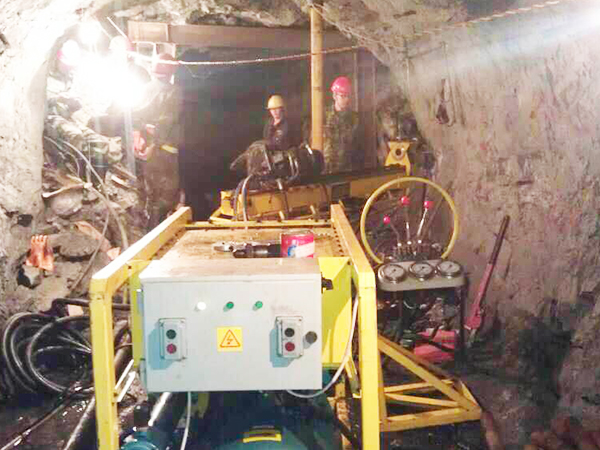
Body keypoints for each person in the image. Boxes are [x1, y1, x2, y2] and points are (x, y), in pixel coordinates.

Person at [133, 52, 185, 228]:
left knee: (151, 195)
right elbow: (168, 120)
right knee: (166, 196)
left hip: (148, 150)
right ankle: (156, 230)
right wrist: (153, 143)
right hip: (163, 151)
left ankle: (149, 229)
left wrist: (138, 137)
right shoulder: (174, 92)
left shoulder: (144, 89)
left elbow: (135, 116)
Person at [323, 76, 359, 173]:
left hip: (346, 170)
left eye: (348, 96)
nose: (346, 99)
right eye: (343, 96)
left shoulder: (354, 119)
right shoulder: (323, 116)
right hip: (326, 170)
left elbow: (357, 147)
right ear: (334, 96)